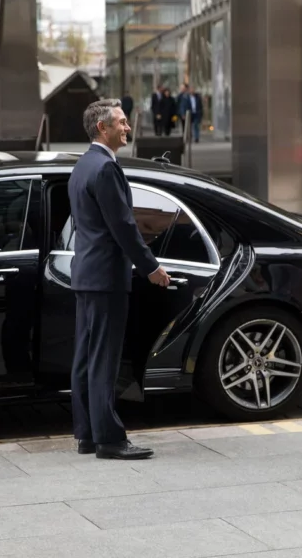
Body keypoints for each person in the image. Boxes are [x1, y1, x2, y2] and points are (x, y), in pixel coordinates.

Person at [68, 99, 171, 460]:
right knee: (103, 362)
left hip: (86, 275)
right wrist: (151, 267)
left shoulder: (83, 165)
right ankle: (109, 440)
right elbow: (123, 227)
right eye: (122, 123)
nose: (127, 128)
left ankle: (87, 435)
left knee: (85, 359)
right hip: (106, 278)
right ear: (103, 128)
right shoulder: (105, 169)